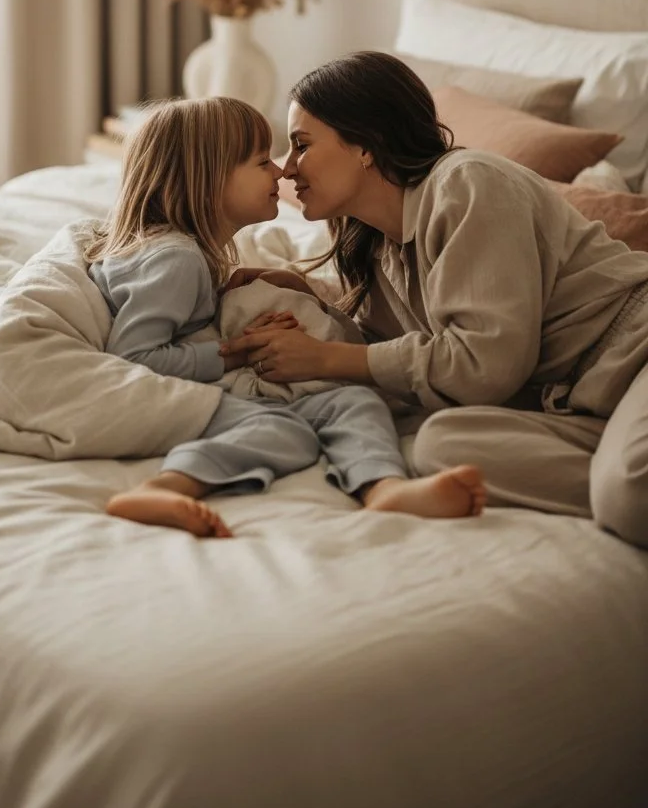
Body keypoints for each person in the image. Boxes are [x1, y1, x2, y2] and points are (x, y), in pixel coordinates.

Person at [220, 51, 648, 550]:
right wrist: (307, 294)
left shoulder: (468, 184)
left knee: (630, 495)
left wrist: (329, 357)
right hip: (579, 404)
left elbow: (483, 364)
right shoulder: (375, 243)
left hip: (634, 356)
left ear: (366, 143)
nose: (286, 168)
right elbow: (402, 348)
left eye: (301, 144)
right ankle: (614, 470)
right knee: (438, 443)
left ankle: (620, 480)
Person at [86, 96, 485, 538]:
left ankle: (383, 487)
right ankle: (165, 487)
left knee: (355, 401)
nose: (280, 171)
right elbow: (135, 358)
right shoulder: (175, 261)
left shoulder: (183, 255)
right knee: (285, 430)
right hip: (180, 394)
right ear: (207, 180)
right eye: (261, 162)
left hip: (215, 383)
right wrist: (232, 353)